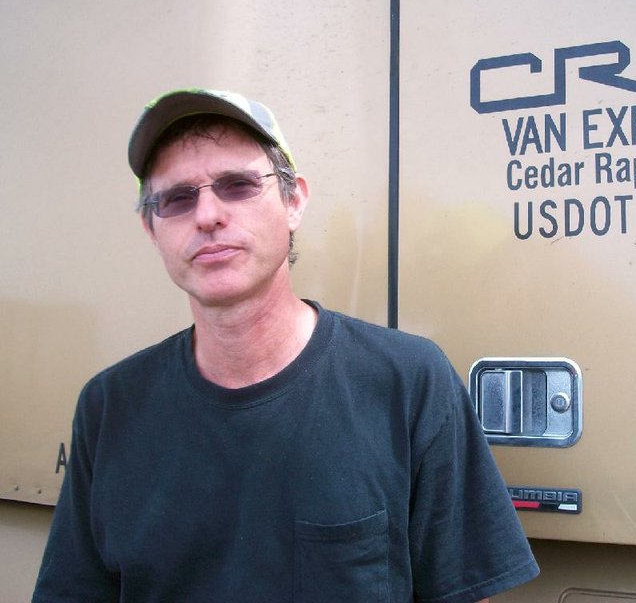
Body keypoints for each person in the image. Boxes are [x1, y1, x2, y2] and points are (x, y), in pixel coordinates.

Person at [33, 88, 539, 602]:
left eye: (237, 185)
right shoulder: (109, 407)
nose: (207, 215)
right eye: (178, 198)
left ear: (293, 201)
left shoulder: (408, 382)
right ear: (151, 227)